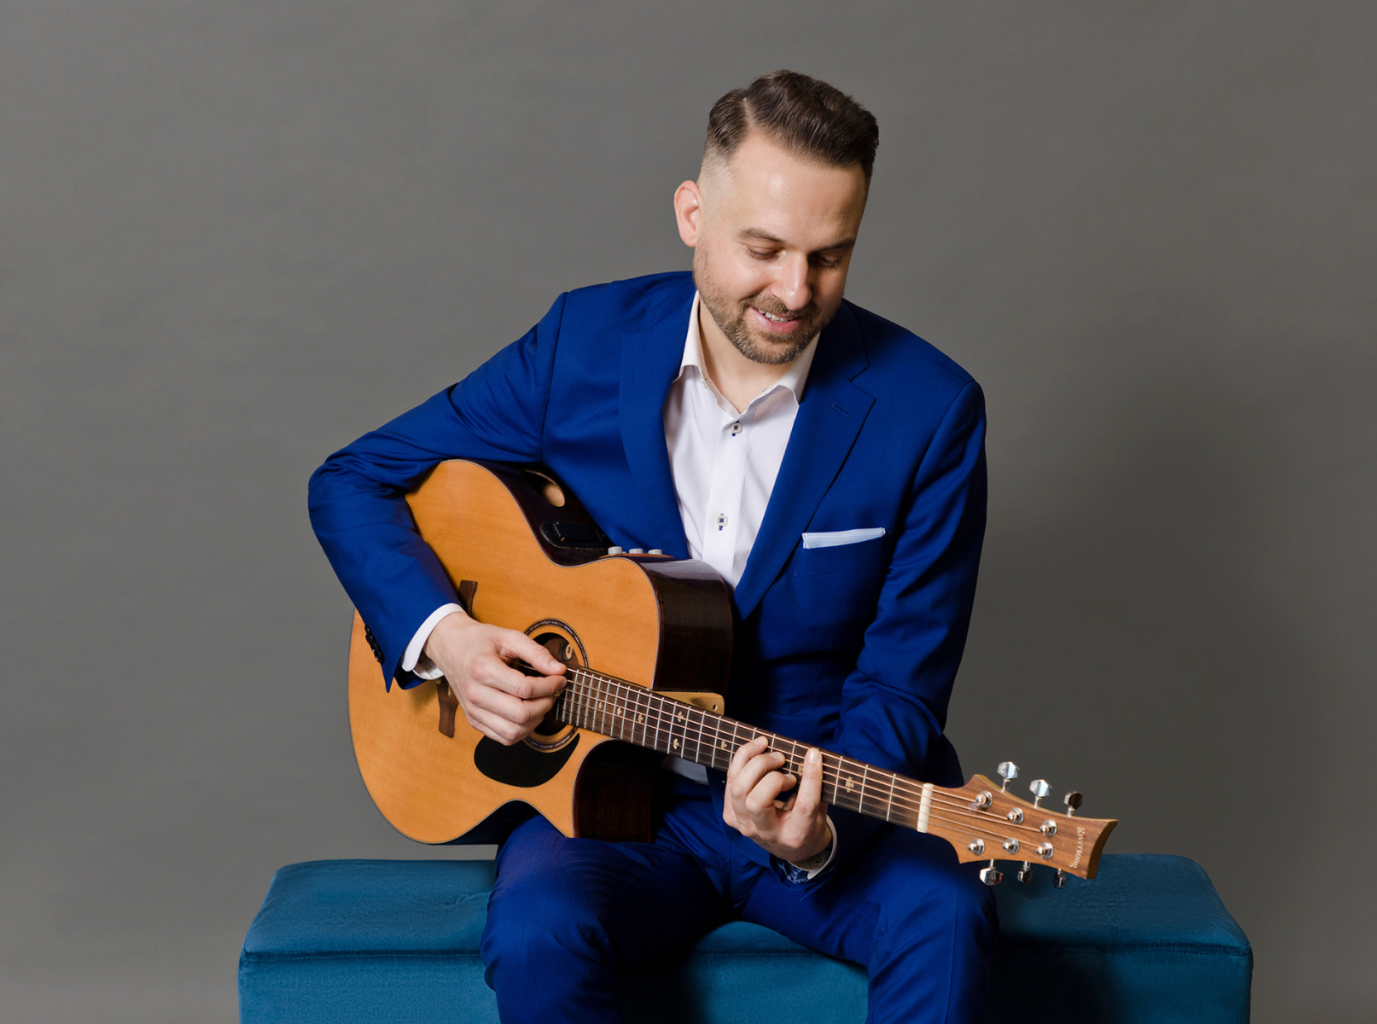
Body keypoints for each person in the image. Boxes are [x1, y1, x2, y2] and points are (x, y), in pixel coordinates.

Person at [309, 70, 995, 1022]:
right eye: (763, 248)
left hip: (823, 783)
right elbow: (355, 480)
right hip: (604, 799)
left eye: (830, 257)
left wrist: (815, 820)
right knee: (537, 934)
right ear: (691, 214)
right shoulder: (578, 348)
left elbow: (904, 680)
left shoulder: (930, 410)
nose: (795, 292)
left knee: (946, 919)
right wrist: (451, 640)